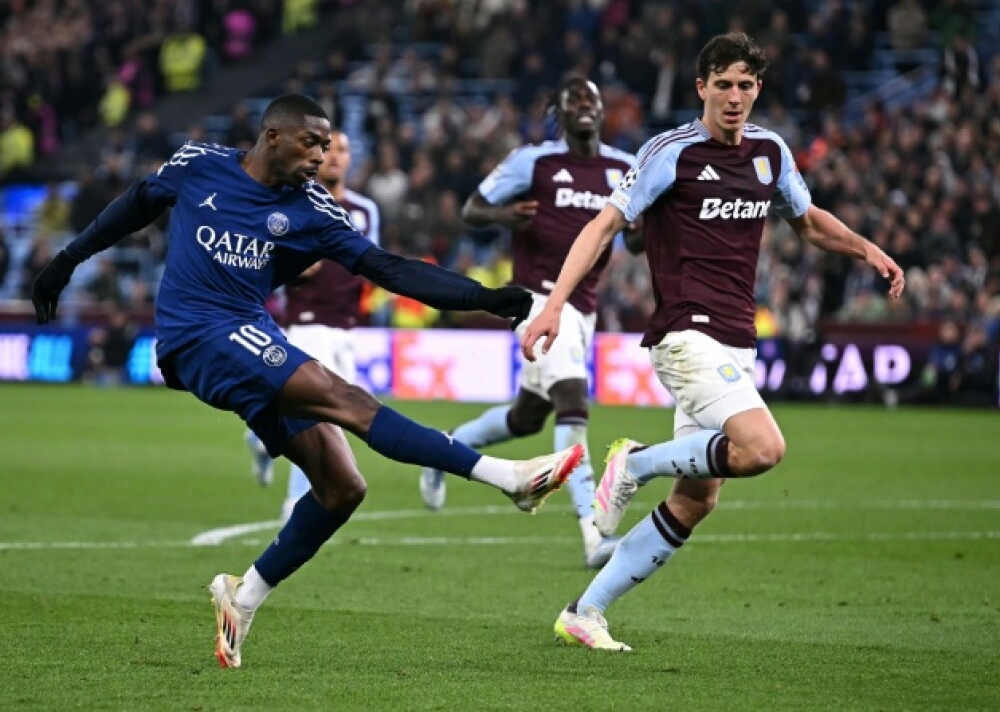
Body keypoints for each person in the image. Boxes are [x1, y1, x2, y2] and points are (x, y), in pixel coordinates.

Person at [31, 94, 585, 668]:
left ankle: (243, 596)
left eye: (327, 145)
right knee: (344, 398)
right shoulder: (200, 164)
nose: (322, 155)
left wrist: (484, 298)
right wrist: (68, 258)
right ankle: (508, 478)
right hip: (195, 334)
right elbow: (137, 202)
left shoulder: (314, 209)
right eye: (312, 142)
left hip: (248, 331)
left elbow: (387, 268)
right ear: (273, 137)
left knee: (343, 487)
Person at [521, 34, 904, 650]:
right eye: (722, 84)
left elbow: (807, 221)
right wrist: (554, 306)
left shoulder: (770, 152)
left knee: (696, 500)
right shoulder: (671, 152)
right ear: (701, 87)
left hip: (736, 341)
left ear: (758, 89)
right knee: (762, 448)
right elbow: (604, 225)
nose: (734, 97)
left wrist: (868, 250)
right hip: (685, 333)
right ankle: (634, 462)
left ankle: (585, 611)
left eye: (745, 85)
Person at [418, 76, 635, 569]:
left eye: (591, 98)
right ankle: (594, 533)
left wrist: (643, 232)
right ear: (560, 114)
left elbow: (638, 240)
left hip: (585, 306)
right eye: (573, 100)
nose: (584, 105)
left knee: (527, 417)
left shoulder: (624, 168)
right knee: (572, 402)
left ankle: (443, 450)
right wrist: (504, 215)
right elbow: (473, 208)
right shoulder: (533, 162)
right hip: (538, 300)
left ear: (603, 110)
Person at [243, 131, 382, 522]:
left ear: (351, 158)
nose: (335, 157)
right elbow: (264, 253)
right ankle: (296, 504)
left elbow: (372, 261)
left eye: (343, 150)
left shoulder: (365, 210)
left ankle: (259, 439)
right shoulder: (293, 202)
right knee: (319, 415)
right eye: (328, 149)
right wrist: (293, 264)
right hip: (306, 325)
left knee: (330, 415)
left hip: (346, 328)